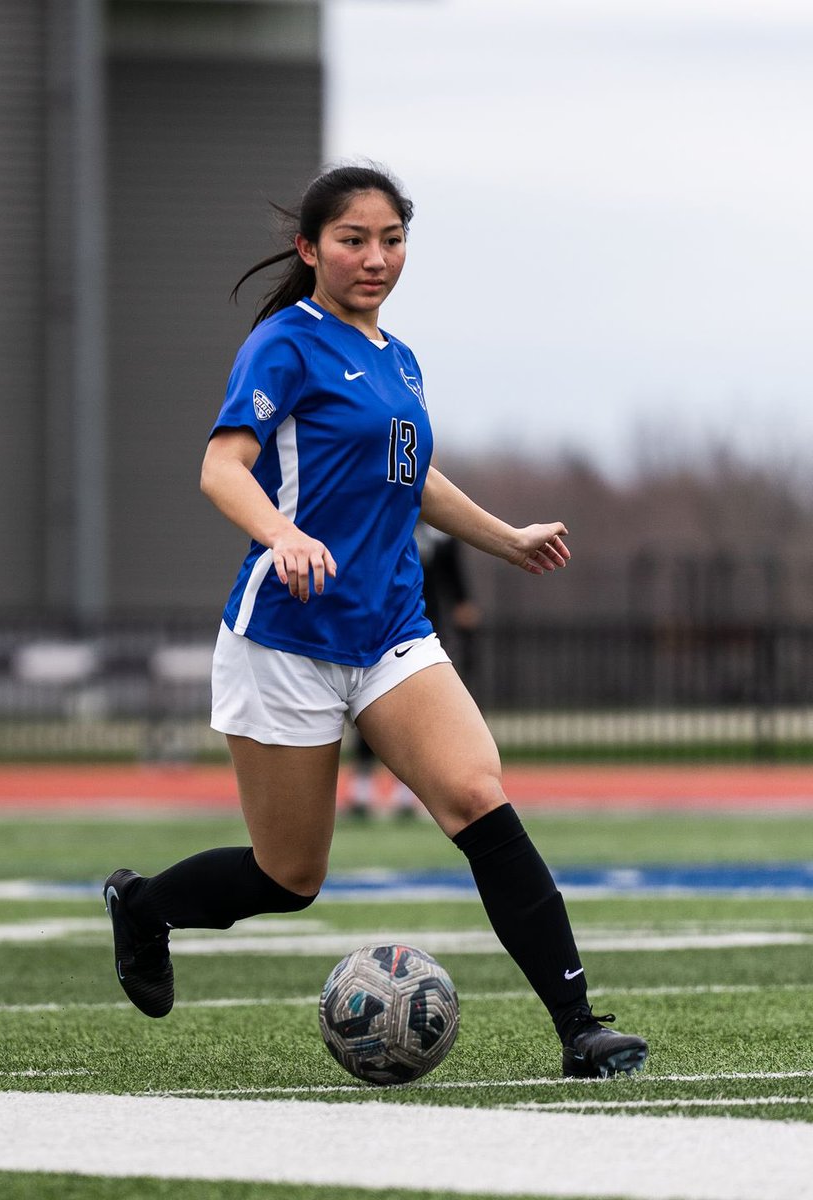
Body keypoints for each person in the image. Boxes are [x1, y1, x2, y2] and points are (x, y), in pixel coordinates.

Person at [104, 163, 648, 1079]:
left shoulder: (399, 359)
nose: (376, 257)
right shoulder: (285, 344)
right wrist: (281, 535)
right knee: (289, 877)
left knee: (478, 797)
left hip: (392, 629)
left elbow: (413, 476)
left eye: (392, 239)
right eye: (354, 240)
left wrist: (503, 539)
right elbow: (221, 468)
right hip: (285, 639)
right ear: (309, 248)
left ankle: (581, 1029)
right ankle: (145, 907)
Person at [346, 521, 481, 817]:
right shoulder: (384, 518)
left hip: (422, 631)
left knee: (415, 718)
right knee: (367, 713)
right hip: (375, 628)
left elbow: (457, 587)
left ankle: (406, 794)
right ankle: (361, 790)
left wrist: (467, 633)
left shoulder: (442, 536)